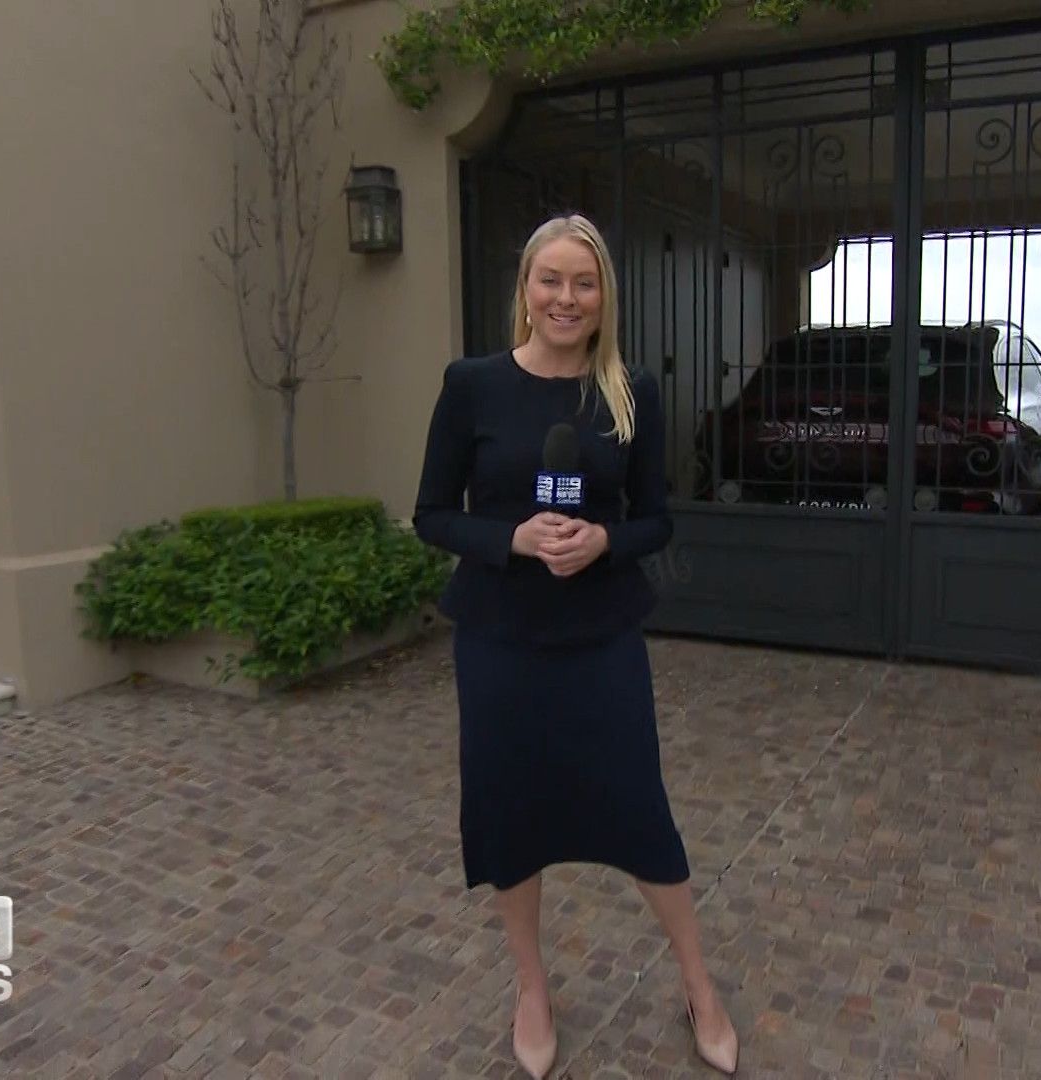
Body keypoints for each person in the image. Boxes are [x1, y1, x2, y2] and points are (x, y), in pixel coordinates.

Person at [411, 213, 739, 1078]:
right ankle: (532, 990)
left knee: (639, 811)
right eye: (550, 280)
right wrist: (512, 539)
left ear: (603, 298)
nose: (566, 297)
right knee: (510, 815)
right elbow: (432, 514)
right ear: (526, 290)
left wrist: (604, 541)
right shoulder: (472, 385)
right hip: (499, 642)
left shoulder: (630, 392)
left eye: (583, 283)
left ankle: (699, 986)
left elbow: (657, 520)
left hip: (599, 640)